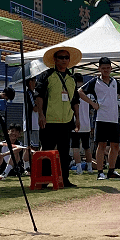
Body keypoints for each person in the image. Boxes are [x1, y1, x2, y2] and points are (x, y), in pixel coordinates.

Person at [34, 45, 82, 188]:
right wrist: (41, 115)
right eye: (61, 57)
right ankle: (44, 180)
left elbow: (75, 100)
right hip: (49, 120)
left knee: (64, 152)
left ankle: (64, 180)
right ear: (54, 59)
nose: (64, 60)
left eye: (66, 57)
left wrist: (77, 118)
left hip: (66, 121)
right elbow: (39, 96)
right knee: (47, 151)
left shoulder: (71, 78)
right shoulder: (47, 76)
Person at [79, 57, 120, 180]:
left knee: (115, 145)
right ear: (99, 68)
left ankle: (111, 170)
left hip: (114, 119)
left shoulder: (115, 82)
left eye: (108, 68)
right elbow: (80, 92)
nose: (106, 70)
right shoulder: (95, 82)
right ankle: (100, 172)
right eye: (103, 68)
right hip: (101, 118)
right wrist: (93, 103)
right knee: (102, 145)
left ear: (111, 68)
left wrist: (115, 100)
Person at [71, 73, 93, 174]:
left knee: (75, 146)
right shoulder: (87, 93)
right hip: (86, 124)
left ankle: (79, 168)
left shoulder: (73, 92)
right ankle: (89, 167)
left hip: (76, 123)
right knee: (87, 147)